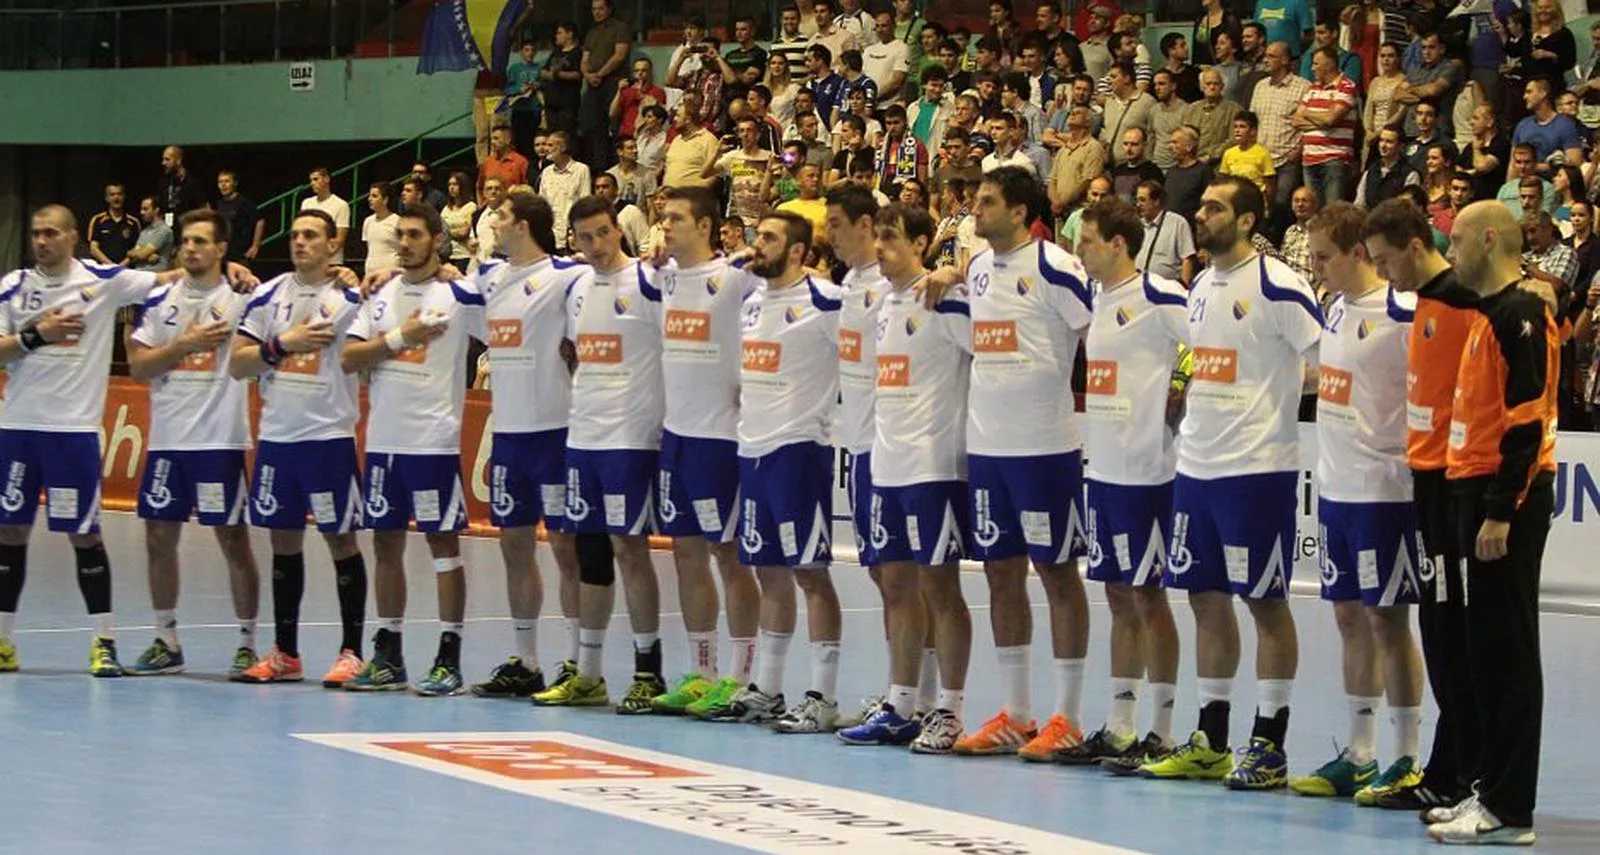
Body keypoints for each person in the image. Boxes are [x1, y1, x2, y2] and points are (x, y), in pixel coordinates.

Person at [1140, 176, 1321, 790]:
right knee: (1204, 597)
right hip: (1197, 466)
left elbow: (1327, 359)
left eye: (1214, 207)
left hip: (1257, 469)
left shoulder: (1278, 283)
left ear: (1246, 220)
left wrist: (1276, 398)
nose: (1201, 214)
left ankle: (1268, 743)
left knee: (1265, 602)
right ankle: (1211, 740)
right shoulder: (1199, 286)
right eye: (1201, 205)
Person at [919, 167, 1094, 761]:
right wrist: (949, 272)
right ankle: (1017, 715)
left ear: (1019, 211)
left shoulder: (1056, 267)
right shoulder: (977, 269)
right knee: (1000, 574)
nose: (976, 209)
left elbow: (1100, 334)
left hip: (1044, 448)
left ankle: (1068, 716)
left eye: (988, 201)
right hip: (988, 449)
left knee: (1058, 574)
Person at [0, 205, 203, 676]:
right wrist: (35, 336)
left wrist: (232, 270)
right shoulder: (13, 286)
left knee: (85, 534)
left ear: (72, 236)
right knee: (9, 532)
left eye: (51, 233)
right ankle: (4, 642)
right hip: (17, 430)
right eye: (36, 233)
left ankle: (104, 641)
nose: (42, 241)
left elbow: (172, 278)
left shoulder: (104, 280)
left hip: (72, 433)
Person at [1423, 201, 1557, 846]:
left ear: (1489, 239)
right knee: (1485, 649)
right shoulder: (1487, 311)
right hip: (1470, 487)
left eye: (1457, 241)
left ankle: (1510, 808)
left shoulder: (1520, 313)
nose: (1450, 253)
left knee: (1508, 650)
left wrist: (1502, 509)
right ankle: (1490, 789)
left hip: (1504, 500)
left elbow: (1529, 418)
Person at [1287, 202, 1426, 804]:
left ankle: (1407, 757)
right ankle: (1360, 753)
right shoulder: (1336, 308)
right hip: (1336, 489)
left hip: (1384, 491)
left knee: (1387, 620)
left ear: (1358, 253)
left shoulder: (1404, 312)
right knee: (1348, 617)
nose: (1316, 268)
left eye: (1324, 257)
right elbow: (1329, 380)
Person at [837, 203, 975, 754]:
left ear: (920, 244)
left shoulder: (945, 299)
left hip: (933, 467)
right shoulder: (884, 304)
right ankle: (901, 704)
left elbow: (993, 348)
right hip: (886, 465)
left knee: (940, 589)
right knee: (895, 586)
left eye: (891, 237)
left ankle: (950, 710)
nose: (880, 247)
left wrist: (957, 271)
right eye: (878, 236)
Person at [1052, 198, 1184, 769]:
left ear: (1118, 244)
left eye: (1087, 240)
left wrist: (1181, 387)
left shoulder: (1159, 294)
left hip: (1146, 472)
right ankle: (1121, 725)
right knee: (1115, 593)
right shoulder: (1097, 299)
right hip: (1102, 469)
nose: (1079, 249)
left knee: (1147, 595)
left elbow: (1209, 343)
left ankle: (1162, 731)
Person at [1358, 197, 1480, 812]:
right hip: (1424, 481)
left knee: (1455, 634)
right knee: (1436, 628)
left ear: (1414, 245)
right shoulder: (1424, 303)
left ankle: (1464, 775)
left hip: (1456, 485)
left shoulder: (1462, 302)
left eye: (1386, 261)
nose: (1383, 274)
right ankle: (1447, 768)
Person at [531, 196, 667, 712]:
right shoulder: (577, 287)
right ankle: (588, 674)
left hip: (630, 438)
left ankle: (648, 671)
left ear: (619, 231)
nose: (595, 245)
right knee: (587, 552)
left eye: (603, 233)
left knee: (630, 549)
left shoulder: (650, 281)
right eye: (584, 237)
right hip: (582, 437)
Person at [337, 205, 480, 695]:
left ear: (438, 240)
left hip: (432, 441)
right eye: (400, 234)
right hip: (384, 440)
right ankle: (388, 653)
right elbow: (349, 357)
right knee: (385, 543)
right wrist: (402, 337)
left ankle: (448, 656)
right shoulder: (381, 292)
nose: (405, 242)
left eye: (415, 234)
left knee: (443, 545)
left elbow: (504, 324)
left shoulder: (458, 293)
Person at [712, 211, 845, 730]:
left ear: (796, 250)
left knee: (810, 573)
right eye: (757, 235)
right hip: (753, 451)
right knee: (768, 572)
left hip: (799, 450)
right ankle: (766, 689)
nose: (756, 244)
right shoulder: (750, 302)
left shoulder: (826, 299)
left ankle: (823, 697)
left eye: (768, 237)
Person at [229, 209, 368, 687]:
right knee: (282, 541)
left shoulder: (351, 298)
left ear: (333, 244)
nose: (300, 242)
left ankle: (352, 652)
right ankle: (285, 653)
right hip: (278, 437)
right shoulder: (269, 294)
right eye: (294, 235)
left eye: (311, 235)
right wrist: (282, 344)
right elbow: (237, 364)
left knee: (341, 540)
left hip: (328, 437)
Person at [124, 210, 262, 677]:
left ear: (222, 248)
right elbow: (139, 367)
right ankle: (166, 640)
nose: (190, 248)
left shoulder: (243, 294)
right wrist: (184, 345)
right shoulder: (161, 298)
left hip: (219, 439)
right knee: (158, 537)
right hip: (168, 439)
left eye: (201, 241)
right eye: (185, 240)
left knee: (232, 539)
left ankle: (247, 643)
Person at [462, 192, 589, 698]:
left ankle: (578, 661)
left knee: (566, 548)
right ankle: (527, 660)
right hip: (507, 435)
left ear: (524, 225)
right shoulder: (488, 277)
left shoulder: (566, 276)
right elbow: (441, 292)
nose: (492, 220)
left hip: (555, 434)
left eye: (500, 215)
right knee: (514, 547)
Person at [644, 187, 762, 717]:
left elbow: (793, 276)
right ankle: (702, 672)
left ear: (706, 226)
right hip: (675, 436)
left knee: (729, 556)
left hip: (720, 438)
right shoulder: (661, 277)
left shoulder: (736, 276)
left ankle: (741, 678)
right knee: (686, 554)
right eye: (663, 218)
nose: (665, 226)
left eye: (676, 218)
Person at [825, 185, 935, 737]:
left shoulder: (903, 288)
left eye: (837, 224)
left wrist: (953, 270)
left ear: (867, 226)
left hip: (900, 449)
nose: (828, 234)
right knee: (883, 575)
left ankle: (918, 699)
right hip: (863, 448)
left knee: (904, 580)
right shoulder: (849, 285)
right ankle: (903, 691)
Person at [300, 168, 350, 265]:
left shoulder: (340, 205)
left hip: (331, 261)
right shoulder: (306, 203)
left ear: (326, 179)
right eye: (311, 180)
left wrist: (321, 255)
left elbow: (340, 239)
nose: (312, 183)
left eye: (316, 179)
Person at [88, 184, 140, 267]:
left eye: (119, 194)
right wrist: (111, 266)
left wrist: (121, 266)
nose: (116, 197)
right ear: (107, 198)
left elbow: (137, 248)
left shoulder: (134, 222)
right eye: (112, 195)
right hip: (103, 269)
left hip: (126, 269)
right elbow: (93, 249)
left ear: (124, 197)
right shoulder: (98, 220)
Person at [362, 182, 402, 276]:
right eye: (370, 196)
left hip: (391, 274)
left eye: (374, 196)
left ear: (385, 200)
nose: (369, 199)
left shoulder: (397, 221)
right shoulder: (368, 221)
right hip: (370, 274)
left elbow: (403, 249)